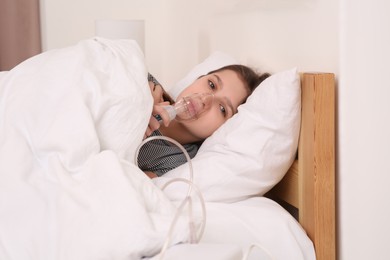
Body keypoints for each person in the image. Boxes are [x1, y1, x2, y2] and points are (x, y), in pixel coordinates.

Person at [138, 65, 270, 178]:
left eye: (222, 109)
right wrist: (136, 105)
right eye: (211, 84)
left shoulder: (178, 163)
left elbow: (126, 186)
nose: (204, 99)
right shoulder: (144, 83)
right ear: (198, 79)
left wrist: (137, 122)